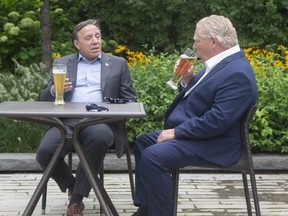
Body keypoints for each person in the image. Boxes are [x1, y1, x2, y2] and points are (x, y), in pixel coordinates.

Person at [132, 15, 258, 216]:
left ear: (213, 42)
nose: (194, 46)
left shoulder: (237, 73)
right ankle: (148, 208)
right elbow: (201, 101)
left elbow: (217, 120)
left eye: (197, 40)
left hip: (217, 143)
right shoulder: (221, 64)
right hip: (202, 135)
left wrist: (177, 132)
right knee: (142, 142)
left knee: (154, 156)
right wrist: (188, 79)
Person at [36, 19, 136, 216]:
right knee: (44, 153)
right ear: (77, 43)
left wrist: (113, 106)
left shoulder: (117, 64)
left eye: (98, 36)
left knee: (98, 138)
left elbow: (130, 99)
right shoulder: (62, 63)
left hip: (99, 121)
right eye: (89, 38)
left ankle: (76, 200)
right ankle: (73, 184)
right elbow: (43, 99)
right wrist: (54, 90)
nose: (95, 41)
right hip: (66, 121)